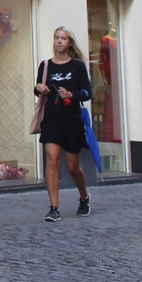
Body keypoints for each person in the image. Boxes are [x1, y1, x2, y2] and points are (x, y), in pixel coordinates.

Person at [35, 25, 93, 222]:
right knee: (52, 160)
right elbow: (38, 88)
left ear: (70, 43)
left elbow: (88, 92)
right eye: (57, 37)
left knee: (72, 167)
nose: (59, 41)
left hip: (72, 120)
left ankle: (84, 197)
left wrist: (72, 94)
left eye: (63, 38)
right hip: (51, 119)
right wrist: (38, 88)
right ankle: (54, 207)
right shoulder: (45, 65)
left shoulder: (77, 66)